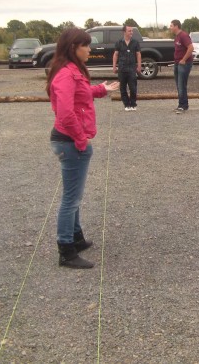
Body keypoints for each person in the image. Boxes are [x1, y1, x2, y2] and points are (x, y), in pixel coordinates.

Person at [46, 28, 119, 268]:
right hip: (68, 141)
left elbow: (80, 93)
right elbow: (66, 113)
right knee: (71, 198)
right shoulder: (66, 74)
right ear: (72, 48)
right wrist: (80, 140)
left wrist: (100, 90)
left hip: (68, 140)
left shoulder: (71, 71)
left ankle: (76, 238)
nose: (90, 49)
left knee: (74, 196)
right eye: (85, 46)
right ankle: (66, 250)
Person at [113, 24, 141, 111]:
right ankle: (126, 104)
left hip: (132, 68)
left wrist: (139, 65)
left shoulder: (135, 42)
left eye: (132, 31)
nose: (131, 32)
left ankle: (133, 104)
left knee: (133, 88)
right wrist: (114, 66)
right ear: (124, 32)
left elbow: (138, 54)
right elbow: (116, 54)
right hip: (122, 68)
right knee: (123, 88)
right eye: (129, 31)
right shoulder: (119, 42)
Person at [169, 19, 194, 113]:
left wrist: (183, 59)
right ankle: (182, 104)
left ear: (176, 26)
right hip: (177, 63)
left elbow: (191, 47)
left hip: (184, 64)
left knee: (181, 84)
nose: (170, 27)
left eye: (171, 26)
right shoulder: (177, 37)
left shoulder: (183, 35)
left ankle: (183, 106)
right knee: (179, 85)